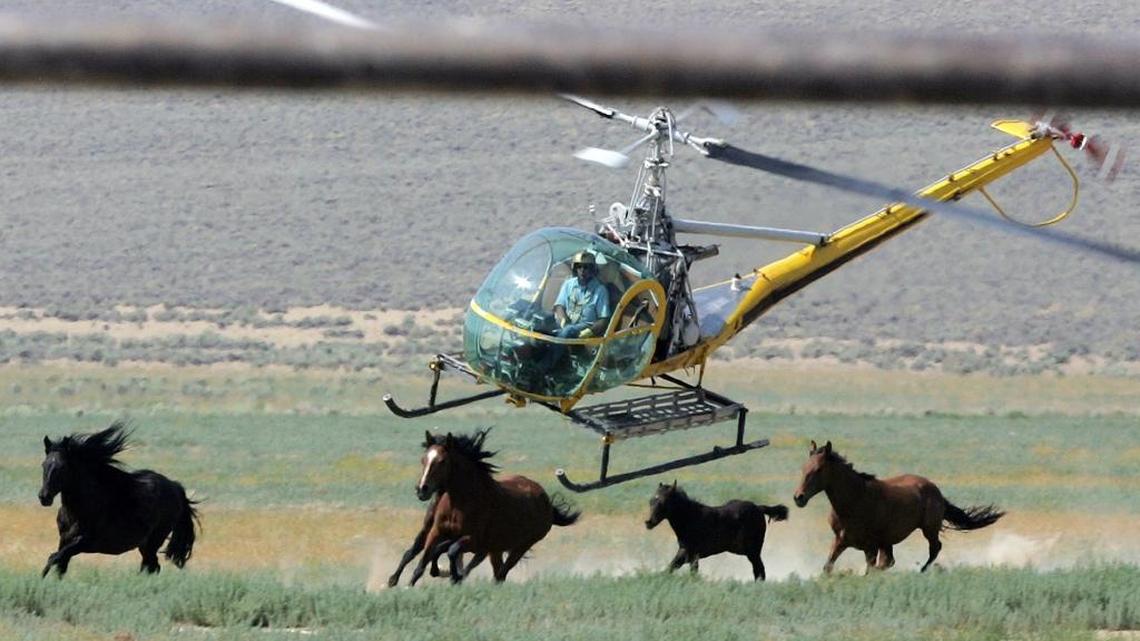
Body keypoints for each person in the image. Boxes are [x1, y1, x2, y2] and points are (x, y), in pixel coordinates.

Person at [531, 251, 611, 381]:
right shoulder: (569, 284)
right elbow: (559, 306)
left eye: (586, 267)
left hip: (585, 325)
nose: (582, 270)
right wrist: (562, 319)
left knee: (568, 330)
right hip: (566, 323)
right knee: (539, 324)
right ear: (575, 268)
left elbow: (604, 319)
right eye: (579, 266)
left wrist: (589, 331)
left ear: (592, 269)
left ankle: (542, 368)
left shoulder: (600, 290)